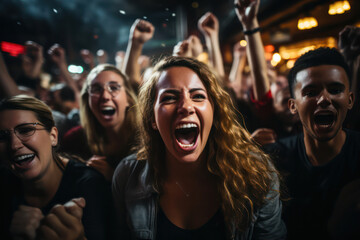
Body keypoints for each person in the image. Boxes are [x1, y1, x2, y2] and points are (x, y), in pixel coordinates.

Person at [112, 56, 286, 239]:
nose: (186, 107)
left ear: (214, 112)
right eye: (169, 98)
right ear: (152, 119)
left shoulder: (257, 174)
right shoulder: (128, 176)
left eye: (198, 96)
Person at [264, 47, 360, 240]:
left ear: (350, 100)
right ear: (293, 105)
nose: (324, 99)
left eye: (335, 90)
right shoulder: (272, 160)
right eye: (311, 92)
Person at [0, 95, 117, 239]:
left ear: (53, 136)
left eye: (25, 130)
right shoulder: (3, 183)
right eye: (2, 137)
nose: (14, 145)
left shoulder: (89, 185)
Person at [61, 64, 138, 181]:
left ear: (128, 98)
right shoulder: (74, 140)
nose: (105, 96)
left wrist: (115, 179)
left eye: (114, 87)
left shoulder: (147, 140)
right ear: (88, 100)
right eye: (96, 89)